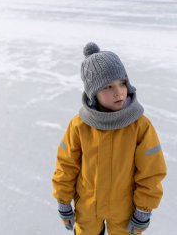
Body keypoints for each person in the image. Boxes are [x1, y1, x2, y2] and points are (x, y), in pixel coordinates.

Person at [52, 42, 167, 235]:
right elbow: (66, 165)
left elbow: (151, 170)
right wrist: (63, 201)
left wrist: (143, 209)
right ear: (93, 93)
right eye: (108, 86)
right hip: (87, 207)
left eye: (122, 83)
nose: (119, 92)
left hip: (124, 210)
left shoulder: (140, 126)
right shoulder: (80, 125)